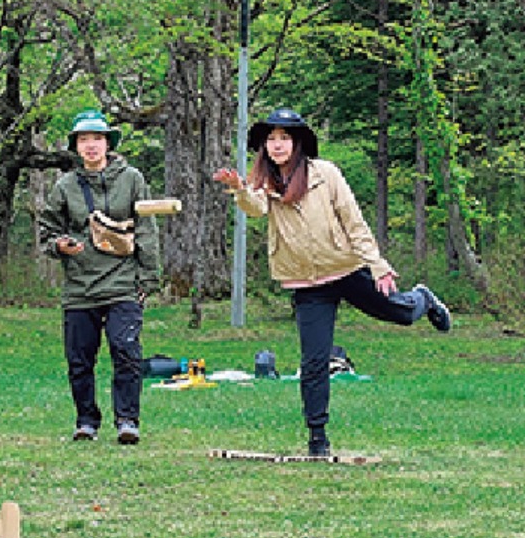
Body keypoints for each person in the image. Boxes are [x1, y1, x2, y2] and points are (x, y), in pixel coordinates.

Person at [213, 108, 451, 456]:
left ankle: (423, 299)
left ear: (298, 143)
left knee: (399, 313)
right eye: (271, 139)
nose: (277, 145)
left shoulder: (325, 174)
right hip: (305, 283)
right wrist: (238, 189)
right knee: (313, 361)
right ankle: (317, 440)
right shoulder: (264, 182)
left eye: (284, 138)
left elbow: (354, 222)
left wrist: (378, 265)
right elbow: (255, 208)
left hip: (346, 268)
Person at [38, 110, 161, 445]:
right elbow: (46, 233)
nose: (91, 146)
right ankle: (86, 421)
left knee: (126, 351)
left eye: (97, 138)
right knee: (79, 360)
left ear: (108, 143)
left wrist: (148, 279)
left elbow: (147, 229)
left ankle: (127, 421)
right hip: (79, 287)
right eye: (84, 139)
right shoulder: (64, 187)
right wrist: (60, 245)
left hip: (123, 283)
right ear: (76, 146)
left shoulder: (133, 179)